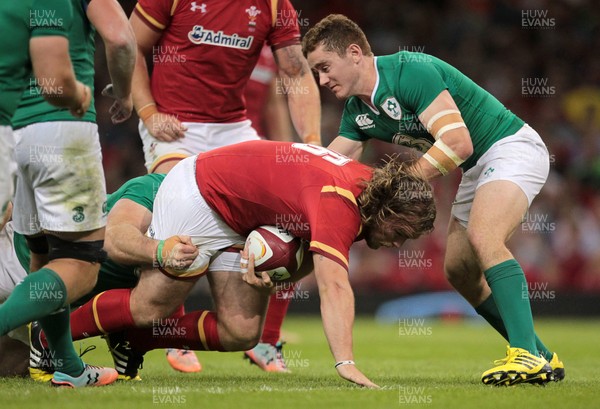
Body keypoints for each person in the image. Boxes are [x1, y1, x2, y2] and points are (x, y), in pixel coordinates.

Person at [37, 140, 436, 387]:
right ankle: (50, 338)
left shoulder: (366, 188)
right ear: (386, 210)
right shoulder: (342, 204)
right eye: (402, 231)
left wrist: (275, 276)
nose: (399, 242)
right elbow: (334, 286)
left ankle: (135, 339)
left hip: (243, 217)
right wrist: (345, 362)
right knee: (148, 306)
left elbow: (307, 253)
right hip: (203, 193)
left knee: (241, 331)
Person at [302, 14, 564, 386]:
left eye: (325, 68)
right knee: (459, 271)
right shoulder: (357, 112)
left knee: (485, 236)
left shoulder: (410, 70)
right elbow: (326, 169)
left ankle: (524, 355)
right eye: (316, 73)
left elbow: (458, 143)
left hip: (510, 148)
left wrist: (401, 182)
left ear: (355, 53)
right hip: (475, 169)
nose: (322, 80)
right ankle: (540, 355)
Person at [0, 0, 136, 388]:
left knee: (42, 256)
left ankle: (68, 367)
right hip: (61, 130)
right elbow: (119, 38)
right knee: (80, 263)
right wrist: (123, 93)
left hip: (13, 134)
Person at [129, 0, 321, 174]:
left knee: (277, 190)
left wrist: (313, 143)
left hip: (233, 128)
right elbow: (131, 46)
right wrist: (149, 114)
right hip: (175, 126)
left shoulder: (275, 5)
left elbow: (296, 74)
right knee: (180, 192)